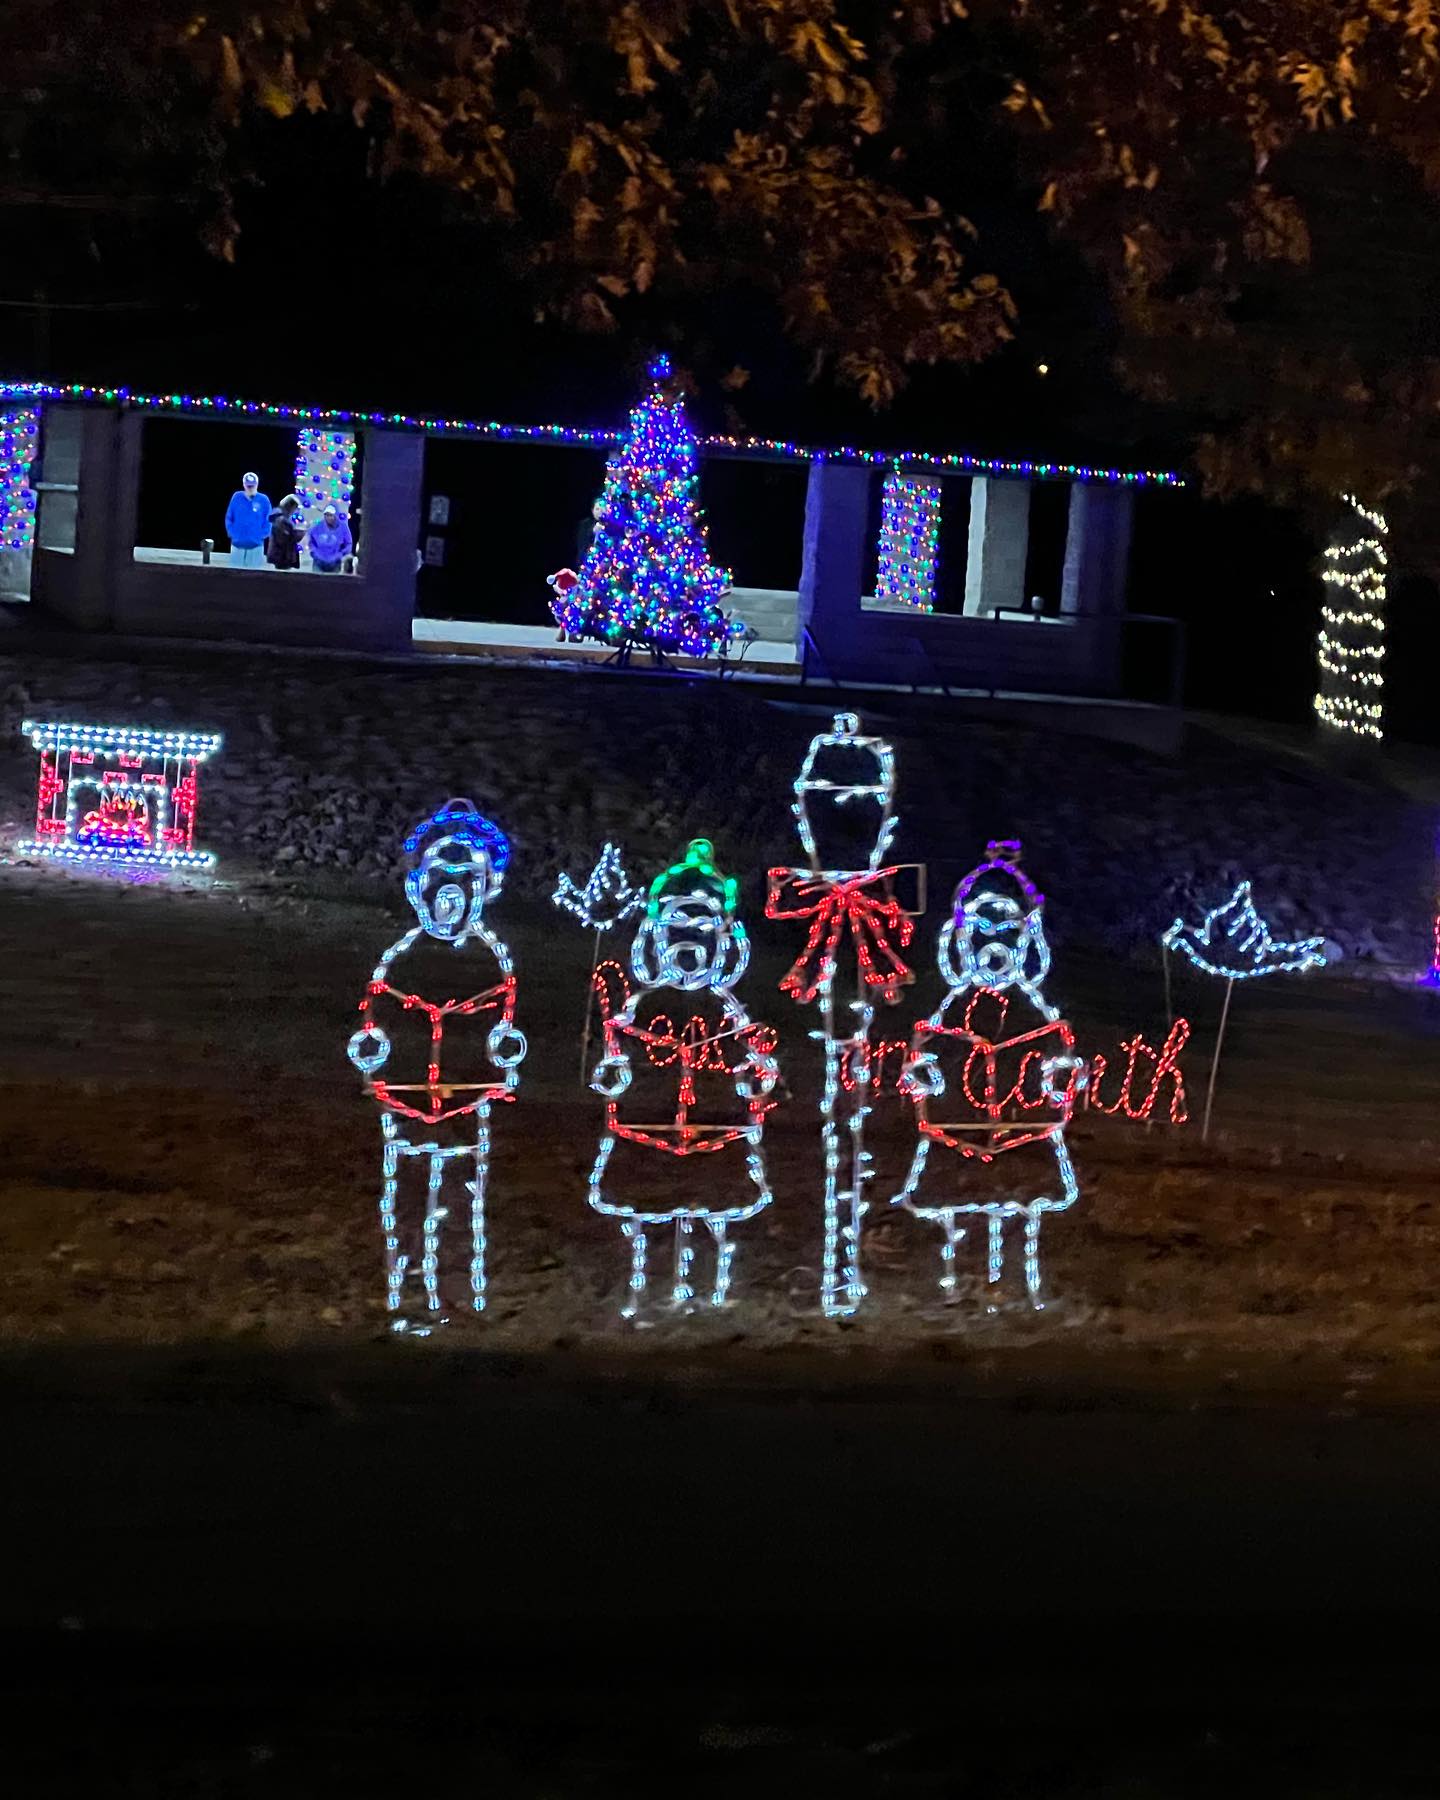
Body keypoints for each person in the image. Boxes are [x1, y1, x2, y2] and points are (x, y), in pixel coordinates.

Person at [224, 472, 271, 568]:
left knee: (254, 577)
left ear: (257, 485)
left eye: (252, 486)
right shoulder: (237, 497)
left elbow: (269, 520)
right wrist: (232, 533)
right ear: (244, 485)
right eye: (248, 486)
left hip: (256, 546)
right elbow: (229, 517)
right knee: (234, 575)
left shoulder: (263, 500)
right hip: (237, 545)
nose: (250, 488)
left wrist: (261, 535)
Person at [307, 503, 353, 573]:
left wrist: (340, 554)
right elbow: (311, 542)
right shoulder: (318, 527)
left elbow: (349, 544)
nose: (328, 517)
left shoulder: (343, 528)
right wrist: (315, 553)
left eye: (330, 515)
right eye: (326, 515)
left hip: (335, 564)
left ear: (335, 516)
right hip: (318, 563)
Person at [265, 494, 305, 570]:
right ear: (290, 507)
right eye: (295, 508)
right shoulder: (281, 520)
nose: (294, 512)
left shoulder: (279, 519)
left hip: (280, 557)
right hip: (280, 558)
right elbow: (283, 539)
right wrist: (298, 535)